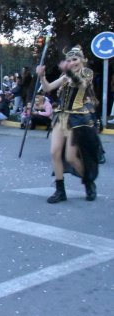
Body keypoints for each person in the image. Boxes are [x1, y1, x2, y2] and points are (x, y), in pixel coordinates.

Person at [36, 46, 100, 203]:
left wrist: (69, 72)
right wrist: (42, 76)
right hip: (61, 116)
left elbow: (81, 85)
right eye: (69, 60)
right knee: (54, 153)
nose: (72, 62)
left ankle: (88, 182)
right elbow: (48, 88)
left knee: (71, 157)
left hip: (78, 118)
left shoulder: (87, 73)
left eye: (75, 59)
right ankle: (60, 191)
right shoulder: (65, 76)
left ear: (82, 60)